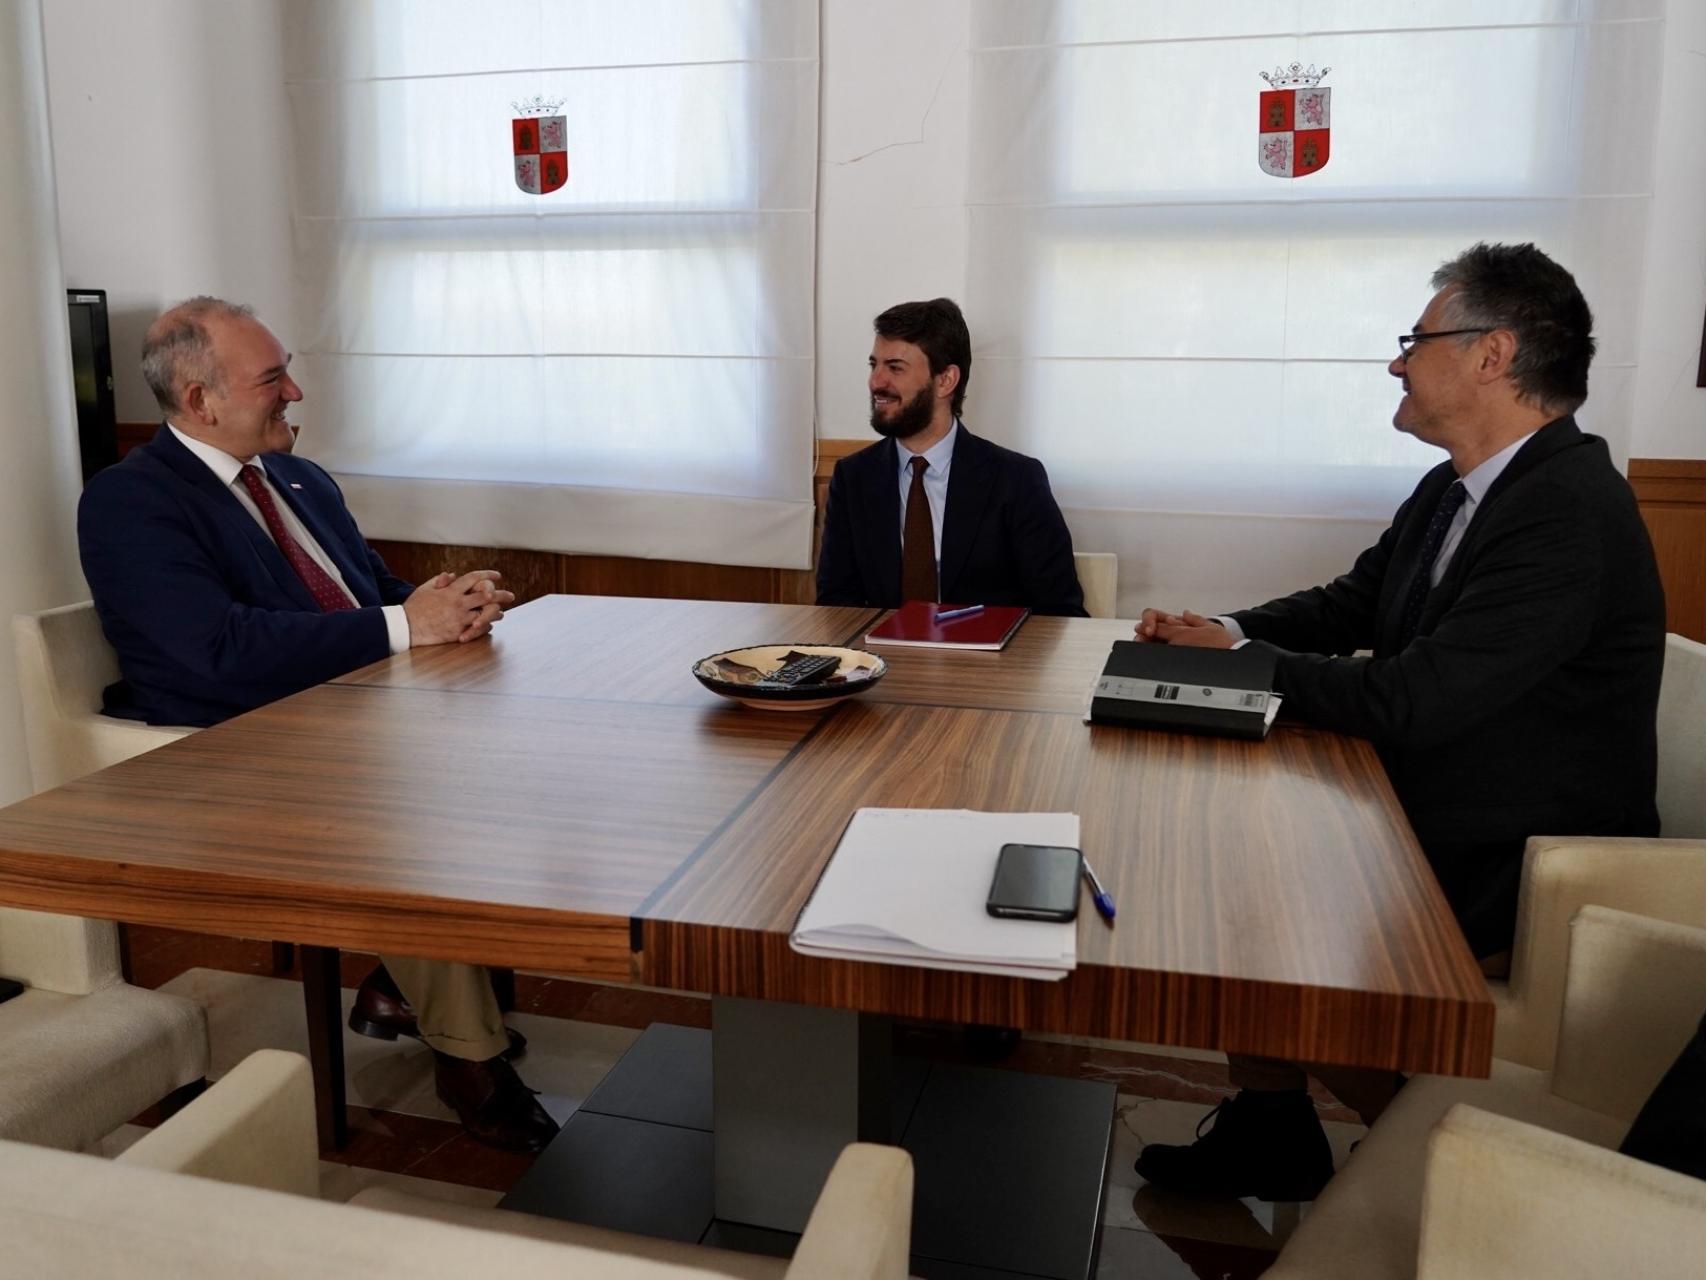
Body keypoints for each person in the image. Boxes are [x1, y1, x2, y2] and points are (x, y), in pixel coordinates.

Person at [1130, 243, 1666, 1200]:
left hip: (1516, 861)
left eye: (1416, 340)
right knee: (1237, 869)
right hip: (1433, 806)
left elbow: (1416, 696)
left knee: (1254, 926)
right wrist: (1230, 629)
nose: (1396, 361)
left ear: (1492, 354)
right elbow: (1354, 603)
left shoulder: (1566, 512)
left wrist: (1246, 669)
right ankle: (1273, 1127)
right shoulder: (1460, 485)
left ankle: (1441, 1182)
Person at [78, 297, 557, 1153]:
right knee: (422, 823)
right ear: (200, 401)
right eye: (272, 379)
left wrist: (441, 602)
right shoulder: (130, 503)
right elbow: (215, 653)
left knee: (530, 753)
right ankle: (468, 1054)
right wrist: (409, 626)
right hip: (229, 749)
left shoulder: (299, 478)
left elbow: (372, 589)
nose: (294, 391)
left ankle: (399, 979)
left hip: (356, 720)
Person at [816, 297, 1087, 616]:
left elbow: (1059, 612)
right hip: (885, 661)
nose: (876, 381)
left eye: (895, 368)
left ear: (945, 380)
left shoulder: (1016, 479)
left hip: (989, 663)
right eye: (874, 365)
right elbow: (836, 605)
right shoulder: (853, 478)